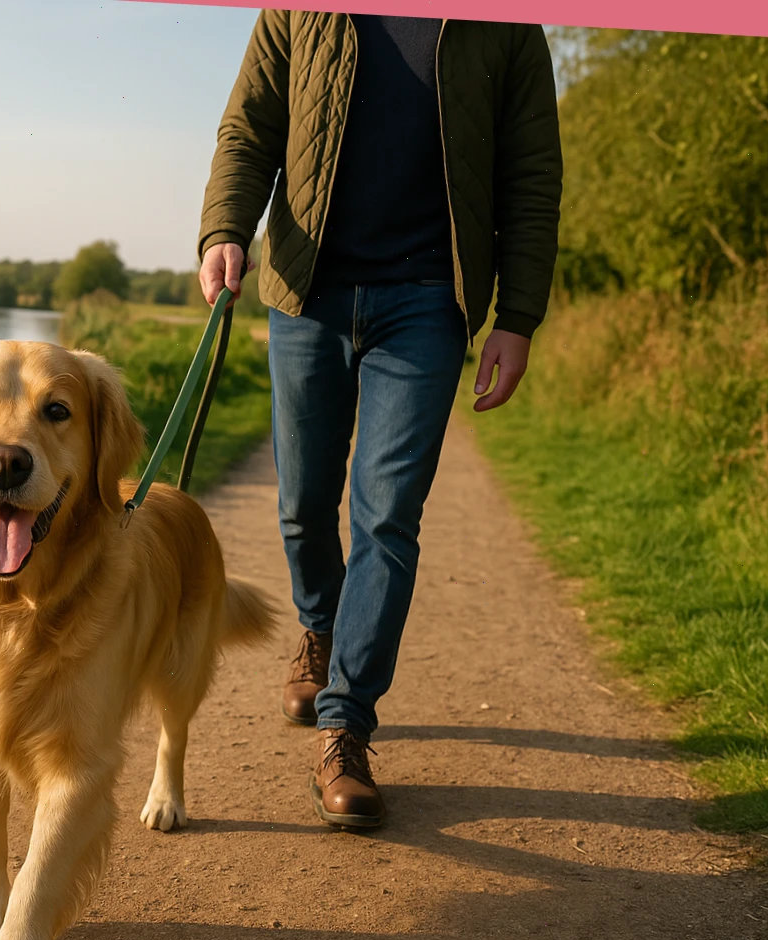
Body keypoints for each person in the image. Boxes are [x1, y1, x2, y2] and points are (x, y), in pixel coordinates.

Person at [196, 12, 562, 830]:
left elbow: (532, 172)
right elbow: (250, 123)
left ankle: (346, 726)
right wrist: (225, 226)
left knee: (387, 515)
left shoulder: (506, 26)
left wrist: (519, 315)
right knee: (303, 503)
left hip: (430, 299)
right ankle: (320, 628)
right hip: (306, 292)